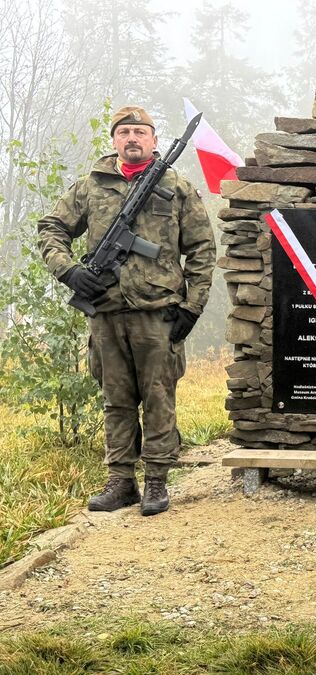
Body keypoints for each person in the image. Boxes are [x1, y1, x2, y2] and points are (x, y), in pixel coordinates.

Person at [38, 106, 216, 517]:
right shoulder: (90, 186)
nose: (132, 138)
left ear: (154, 140)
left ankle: (156, 479)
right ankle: (121, 481)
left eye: (140, 131)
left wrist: (192, 306)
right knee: (115, 399)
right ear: (114, 140)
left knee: (158, 397)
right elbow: (52, 228)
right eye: (124, 132)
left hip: (159, 312)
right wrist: (69, 272)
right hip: (106, 312)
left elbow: (203, 250)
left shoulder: (178, 186)